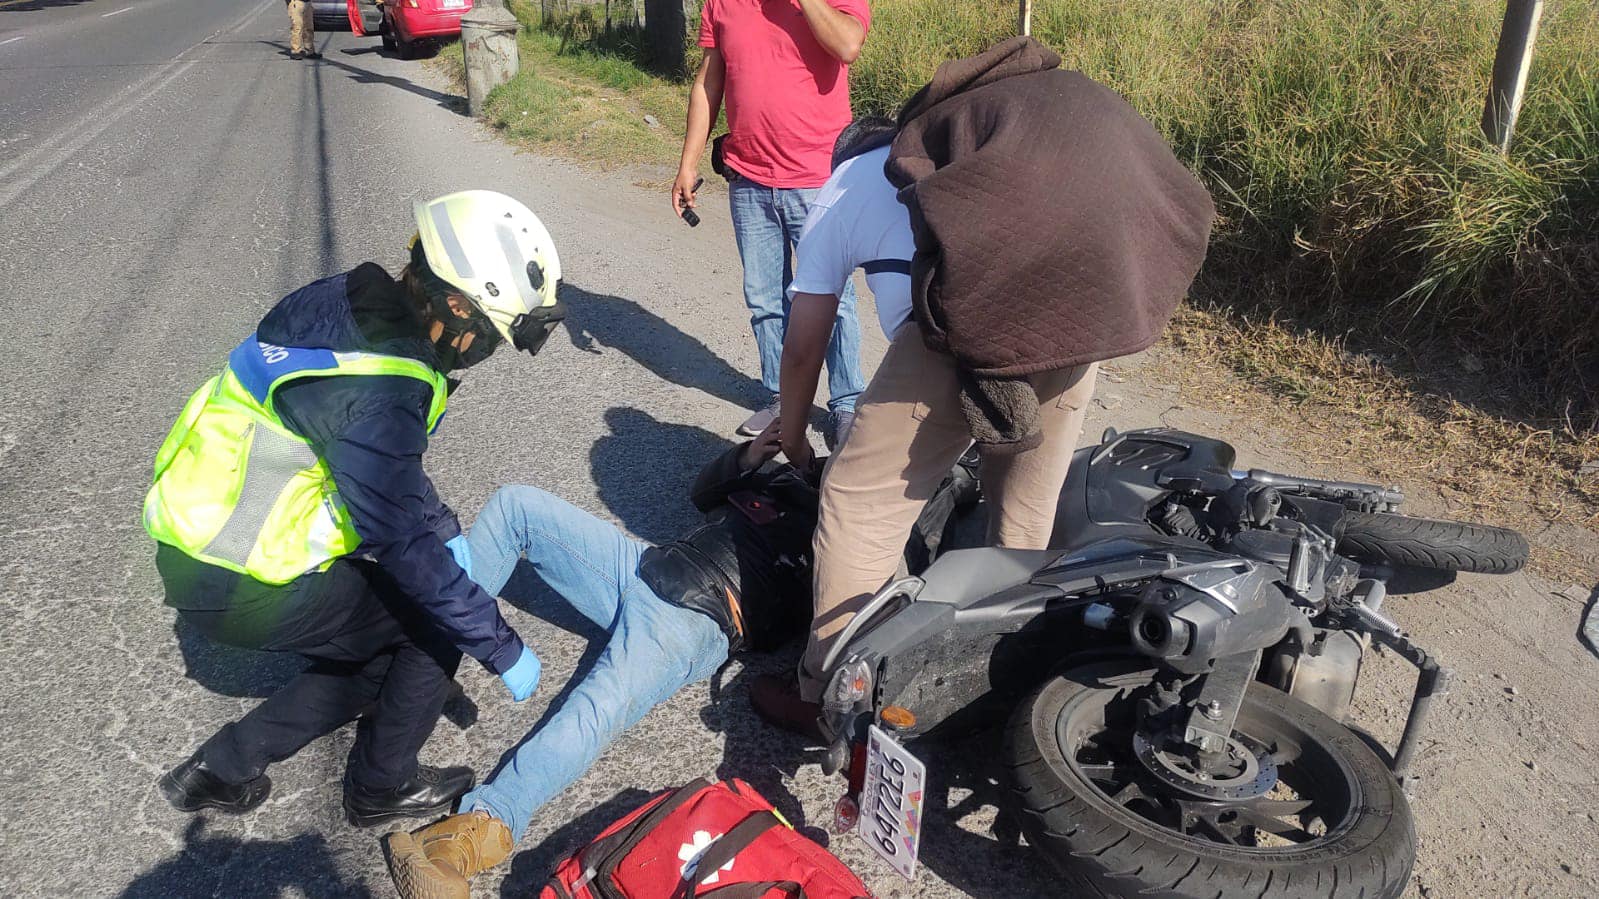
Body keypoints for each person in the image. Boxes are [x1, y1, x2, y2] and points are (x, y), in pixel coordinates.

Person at [750, 38, 1217, 734]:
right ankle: (1006, 676)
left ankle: (827, 693)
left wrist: (790, 432)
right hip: (1083, 304)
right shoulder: (990, 136)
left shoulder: (845, 186)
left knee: (859, 502)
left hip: (983, 310)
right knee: (1023, 506)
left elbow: (803, 341)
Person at [381, 428, 974, 898]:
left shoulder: (867, 550)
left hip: (695, 621)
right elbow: (703, 493)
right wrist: (748, 458)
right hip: (642, 566)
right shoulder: (800, 481)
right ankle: (426, 639)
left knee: (595, 710)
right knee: (518, 507)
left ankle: (471, 836)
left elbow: (866, 632)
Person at [146, 190, 567, 827]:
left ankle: (221, 768)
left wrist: (442, 524)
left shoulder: (348, 301)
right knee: (434, 623)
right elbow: (399, 538)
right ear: (457, 305)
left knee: (387, 645)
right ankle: (380, 787)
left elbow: (376, 468)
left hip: (197, 533)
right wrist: (498, 640)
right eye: (487, 336)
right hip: (237, 574)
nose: (482, 354)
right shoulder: (384, 386)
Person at [672, 0, 871, 447]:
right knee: (765, 299)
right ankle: (784, 399)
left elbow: (848, 44)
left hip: (819, 178)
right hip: (749, 177)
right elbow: (708, 80)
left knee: (834, 301)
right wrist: (687, 162)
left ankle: (846, 403)